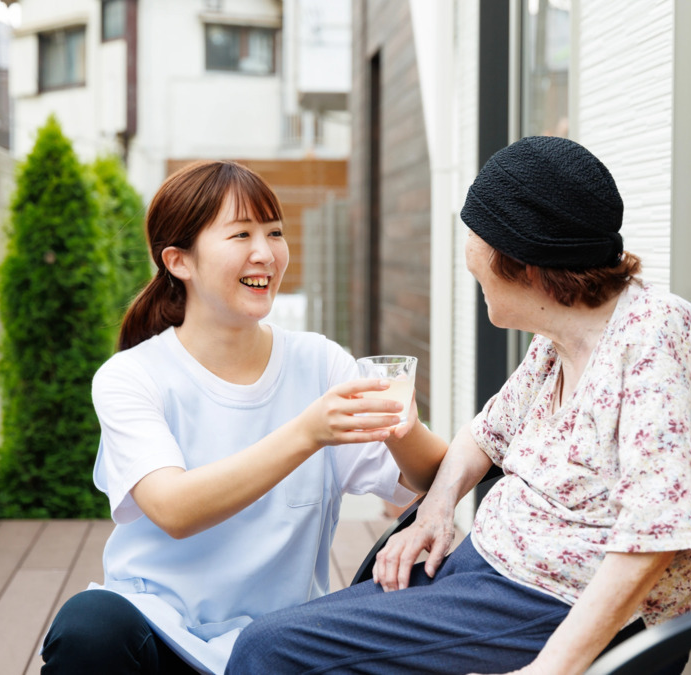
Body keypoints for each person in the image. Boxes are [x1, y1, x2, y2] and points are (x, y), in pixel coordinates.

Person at [225, 136, 691, 675]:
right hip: (494, 574)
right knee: (292, 632)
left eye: (477, 234)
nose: (468, 252)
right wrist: (435, 510)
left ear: (524, 264)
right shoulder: (563, 336)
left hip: (558, 605)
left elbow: (653, 537)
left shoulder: (650, 340)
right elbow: (485, 435)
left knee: (268, 651)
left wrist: (550, 670)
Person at [39, 160, 447, 675]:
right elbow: (174, 508)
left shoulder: (320, 363)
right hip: (158, 632)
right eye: (241, 234)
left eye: (274, 232)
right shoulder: (132, 377)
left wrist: (401, 427)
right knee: (89, 626)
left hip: (278, 644)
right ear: (178, 261)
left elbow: (429, 479)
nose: (266, 253)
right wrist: (307, 433)